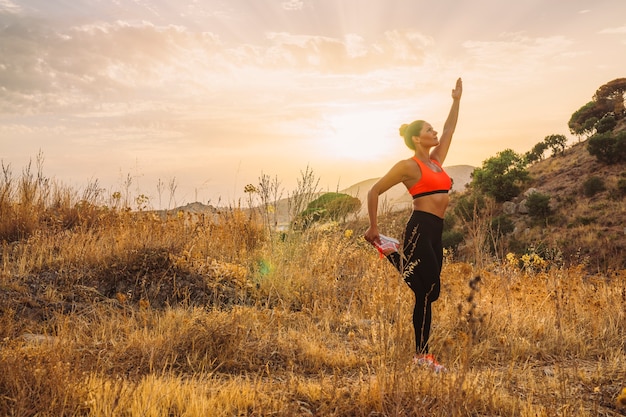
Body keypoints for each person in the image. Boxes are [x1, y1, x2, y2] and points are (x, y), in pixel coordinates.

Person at [364, 78, 462, 372]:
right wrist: (373, 227)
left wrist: (456, 100)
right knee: (427, 292)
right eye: (428, 130)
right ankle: (422, 357)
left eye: (433, 129)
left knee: (430, 292)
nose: (434, 132)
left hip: (436, 232)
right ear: (418, 139)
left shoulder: (436, 162)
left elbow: (449, 129)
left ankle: (393, 252)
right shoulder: (408, 166)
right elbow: (374, 191)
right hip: (419, 228)